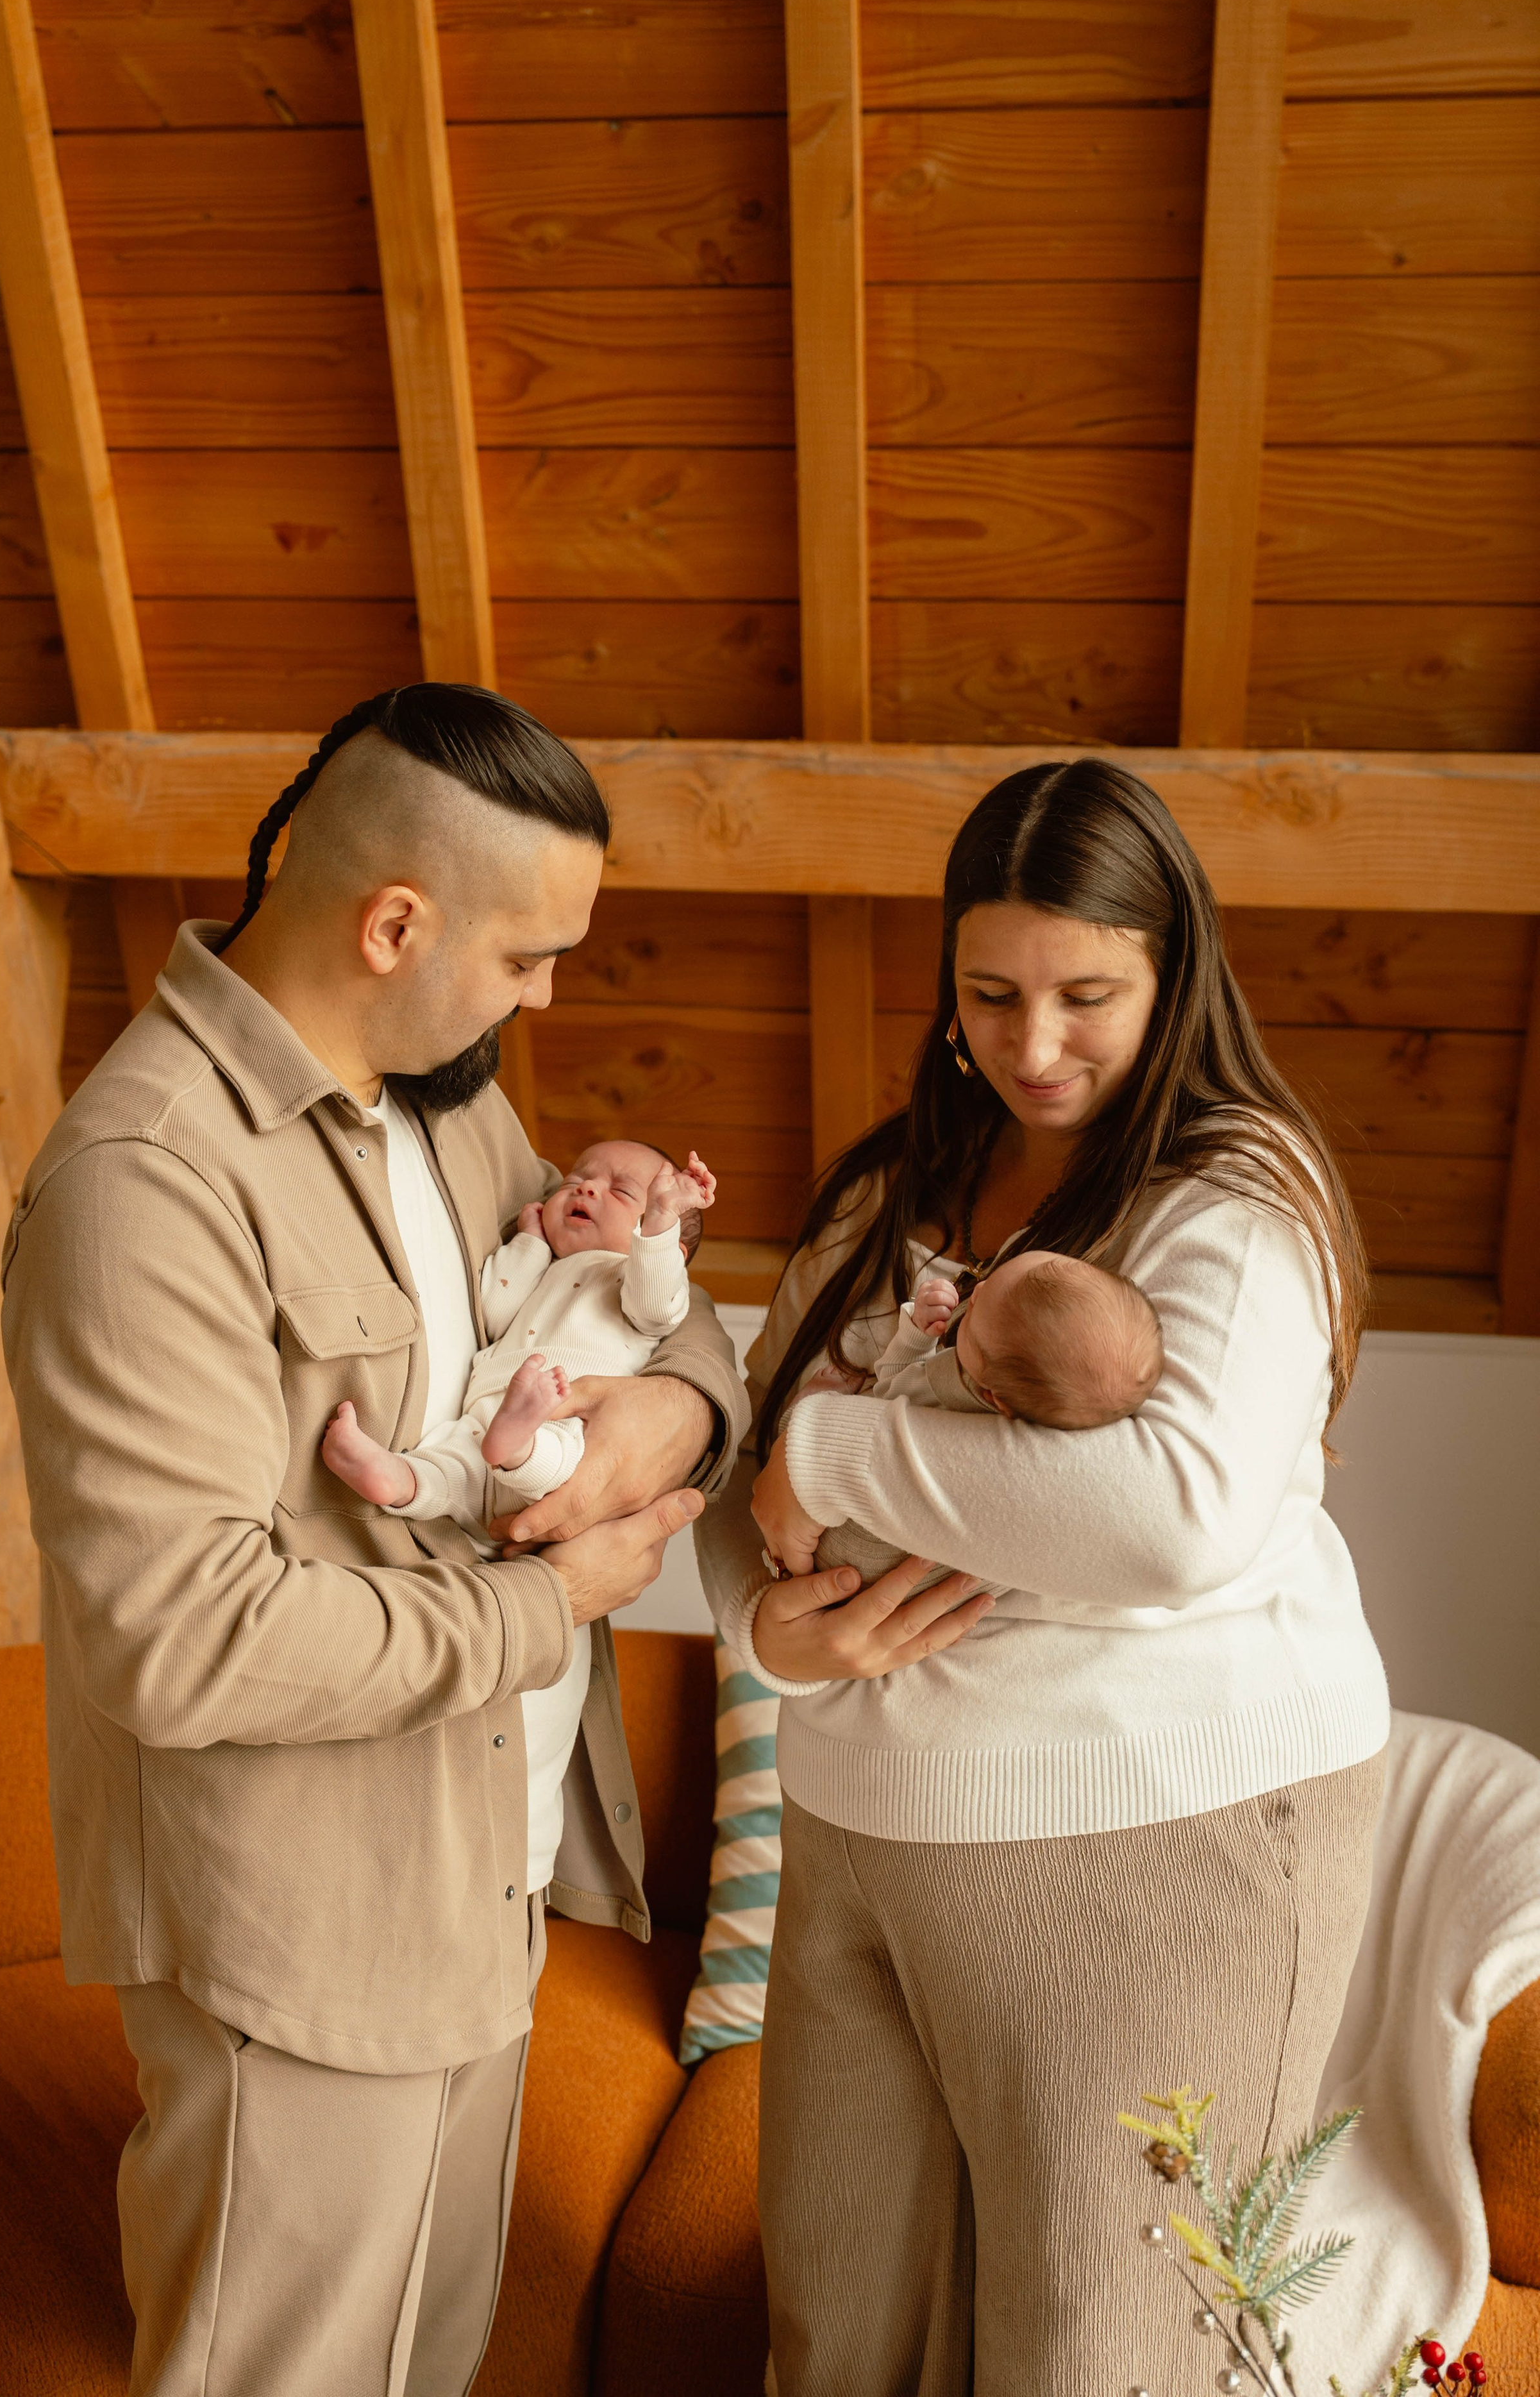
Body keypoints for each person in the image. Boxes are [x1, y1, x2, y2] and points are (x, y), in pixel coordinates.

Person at [1, 682, 748, 2397]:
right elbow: (181, 1641)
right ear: (396, 920)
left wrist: (678, 1415)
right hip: (302, 1941)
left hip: (479, 1885)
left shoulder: (444, 1103)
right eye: (527, 954)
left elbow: (654, 1309)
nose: (548, 994)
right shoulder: (147, 1185)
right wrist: (550, 1601)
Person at [697, 757, 1391, 2393]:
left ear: (1171, 975)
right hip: (866, 1817)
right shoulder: (889, 1188)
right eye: (988, 992)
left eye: (1087, 993)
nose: (1030, 1043)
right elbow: (752, 1463)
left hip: (1151, 1832)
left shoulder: (1231, 1197)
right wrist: (765, 1623)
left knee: (1098, 2349)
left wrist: (843, 1455)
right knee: (833, 2324)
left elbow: (1171, 1517)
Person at [322, 1136, 717, 1528]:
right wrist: (531, 1243)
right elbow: (494, 1311)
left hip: (571, 1414)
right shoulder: (547, 1268)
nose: (587, 1187)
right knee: (453, 1467)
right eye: (573, 1181)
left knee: (562, 1458)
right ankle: (399, 1480)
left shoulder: (645, 1283)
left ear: (668, 1248)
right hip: (489, 1410)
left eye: (622, 1191)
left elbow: (655, 1303)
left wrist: (662, 1219)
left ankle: (520, 1446)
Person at [794, 1248, 1165, 1590]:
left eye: (969, 1319)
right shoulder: (1055, 1424)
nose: (981, 1286)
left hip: (846, 1555)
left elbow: (888, 1391)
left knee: (801, 1427)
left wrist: (916, 1338)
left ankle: (806, 1403)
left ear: (992, 1397)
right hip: (930, 1574)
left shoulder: (949, 1391)